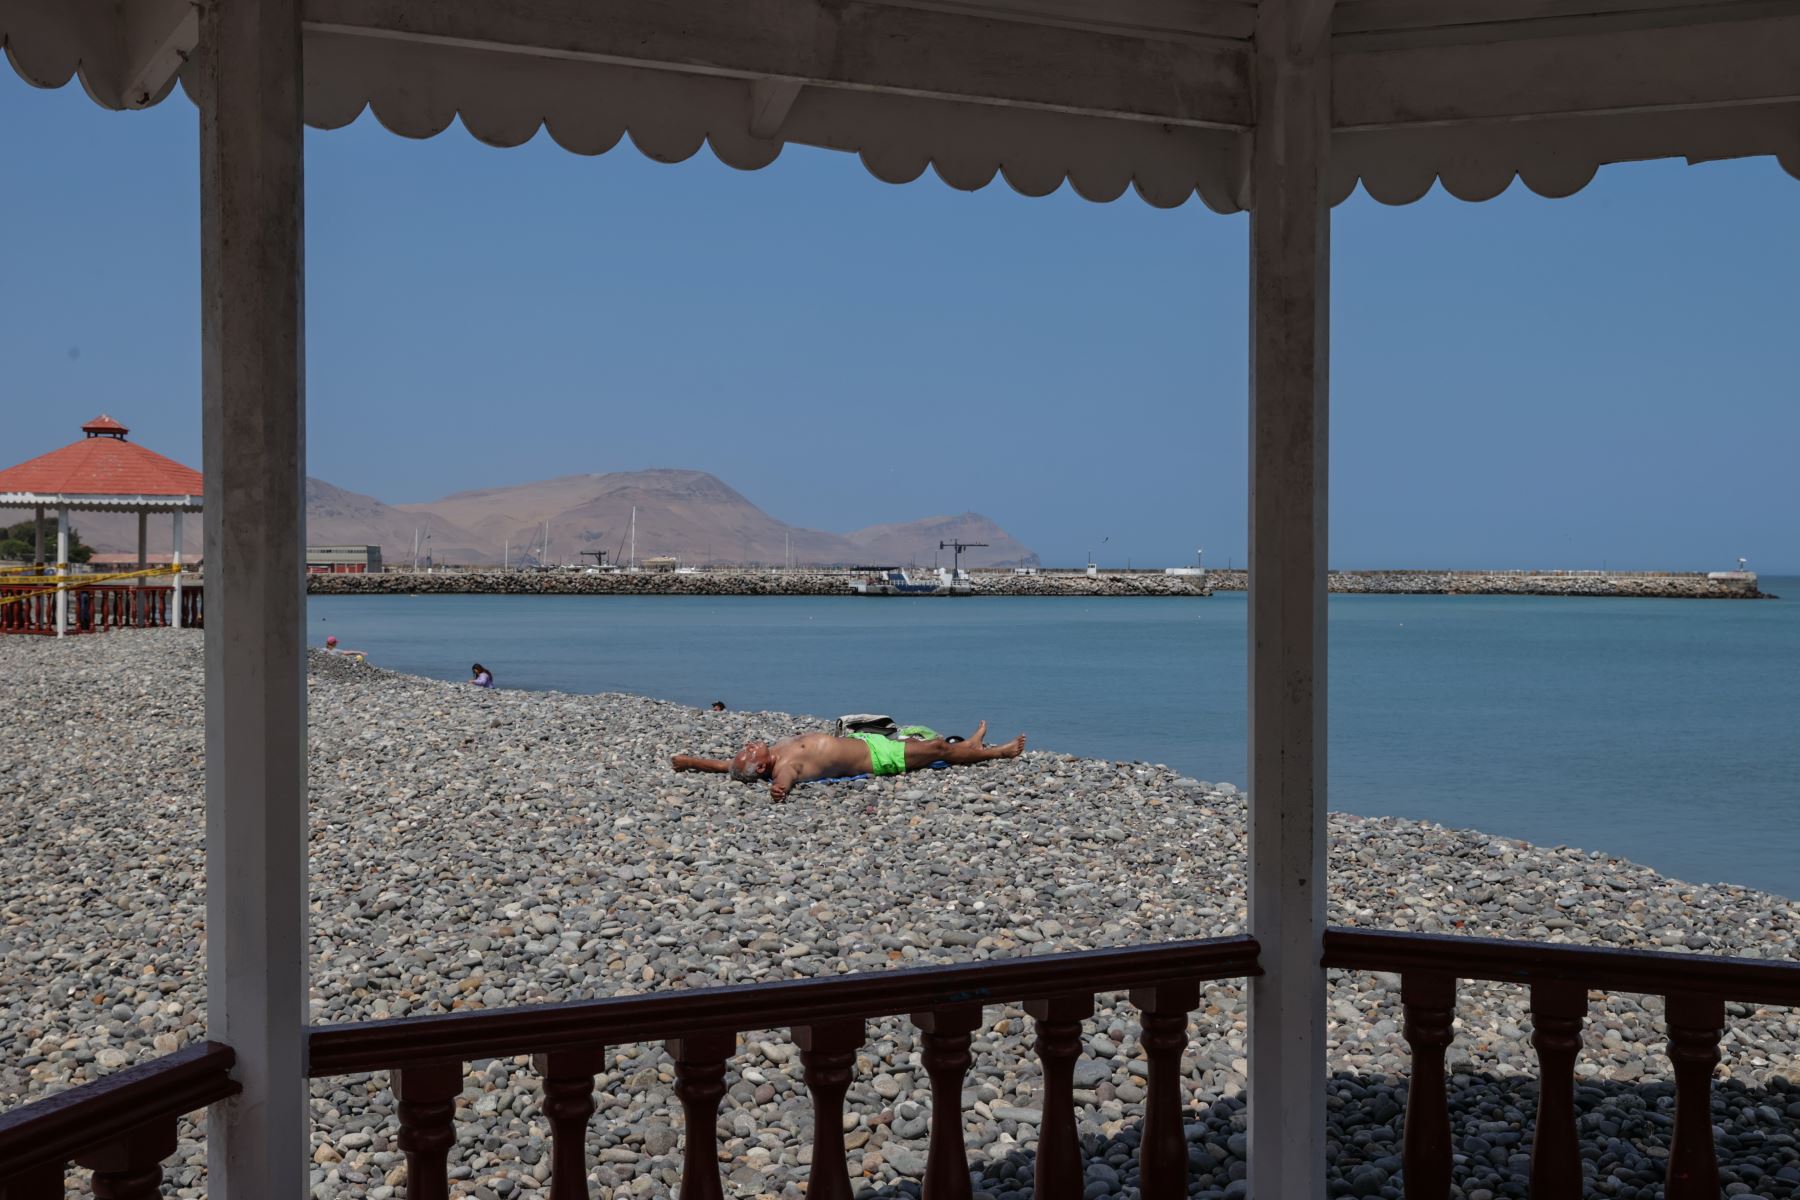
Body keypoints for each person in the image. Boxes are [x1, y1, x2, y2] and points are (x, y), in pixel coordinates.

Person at [672, 721, 1025, 801]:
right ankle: (997, 752)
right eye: (749, 752)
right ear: (761, 768)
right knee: (937, 748)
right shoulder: (783, 767)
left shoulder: (770, 753)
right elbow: (786, 782)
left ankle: (973, 745)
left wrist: (689, 761)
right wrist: (780, 791)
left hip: (865, 741)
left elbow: (725, 767)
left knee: (932, 743)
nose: (749, 745)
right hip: (877, 756)